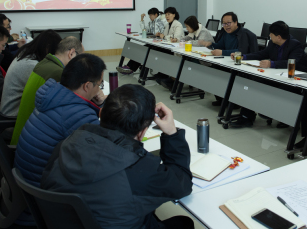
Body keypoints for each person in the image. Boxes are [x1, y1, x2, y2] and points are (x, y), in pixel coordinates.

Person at [42, 86, 194, 229]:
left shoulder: (67, 144)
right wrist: (172, 134)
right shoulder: (140, 171)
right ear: (142, 132)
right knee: (184, 222)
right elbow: (183, 183)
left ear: (100, 113)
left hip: (64, 223)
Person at [13, 53, 108, 226]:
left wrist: (97, 105)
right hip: (44, 199)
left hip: (26, 188)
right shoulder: (79, 115)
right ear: (87, 85)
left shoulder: (53, 95)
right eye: (99, 84)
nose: (99, 89)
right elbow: (104, 156)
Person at [229, 21, 307, 128]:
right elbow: (263, 53)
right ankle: (246, 117)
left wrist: (271, 64)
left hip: (294, 80)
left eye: (271, 34)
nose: (269, 36)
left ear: (278, 37)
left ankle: (271, 112)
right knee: (254, 83)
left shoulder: (295, 45)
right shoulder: (273, 43)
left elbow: (291, 62)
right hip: (276, 76)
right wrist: (244, 57)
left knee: (280, 90)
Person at [11, 36, 84, 145]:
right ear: (71, 53)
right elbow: (76, 106)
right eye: (80, 58)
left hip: (24, 132)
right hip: (33, 139)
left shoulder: (44, 63)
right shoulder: (58, 73)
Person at [0, 30, 62, 118]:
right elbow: (47, 93)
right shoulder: (31, 65)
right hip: (13, 115)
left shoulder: (26, 54)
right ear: (47, 48)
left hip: (12, 110)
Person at [200, 12, 258, 106]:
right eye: (224, 24)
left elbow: (241, 51)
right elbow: (221, 46)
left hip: (241, 64)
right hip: (227, 62)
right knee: (214, 70)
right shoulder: (225, 33)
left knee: (224, 73)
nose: (226, 26)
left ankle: (234, 103)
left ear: (236, 22)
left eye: (228, 23)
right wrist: (210, 44)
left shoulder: (245, 34)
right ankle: (222, 99)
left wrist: (222, 52)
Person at [117, 7, 167, 75]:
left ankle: (130, 68)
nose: (149, 17)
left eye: (150, 15)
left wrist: (157, 34)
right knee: (140, 50)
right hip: (152, 43)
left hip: (159, 44)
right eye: (149, 15)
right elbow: (144, 30)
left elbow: (161, 33)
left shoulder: (162, 21)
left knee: (143, 51)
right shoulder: (151, 22)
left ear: (156, 15)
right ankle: (129, 67)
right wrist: (142, 19)